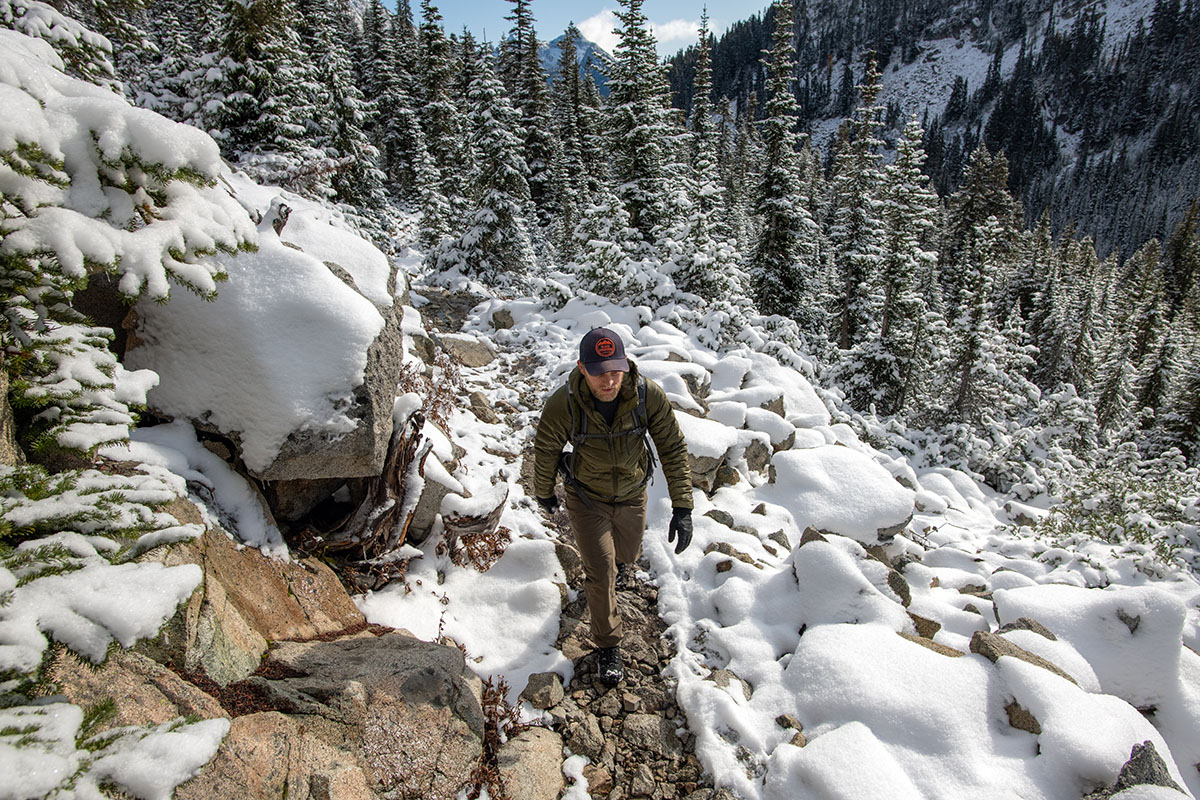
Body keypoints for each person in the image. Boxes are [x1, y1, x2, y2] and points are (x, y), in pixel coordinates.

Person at [533, 326, 694, 684]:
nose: (609, 381)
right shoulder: (565, 403)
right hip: (586, 497)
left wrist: (683, 506)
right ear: (581, 368)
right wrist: (544, 491)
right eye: (599, 373)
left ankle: (624, 565)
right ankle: (608, 644)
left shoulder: (646, 395)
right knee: (600, 570)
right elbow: (546, 450)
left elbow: (672, 445)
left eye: (615, 371)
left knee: (627, 552)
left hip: (633, 494)